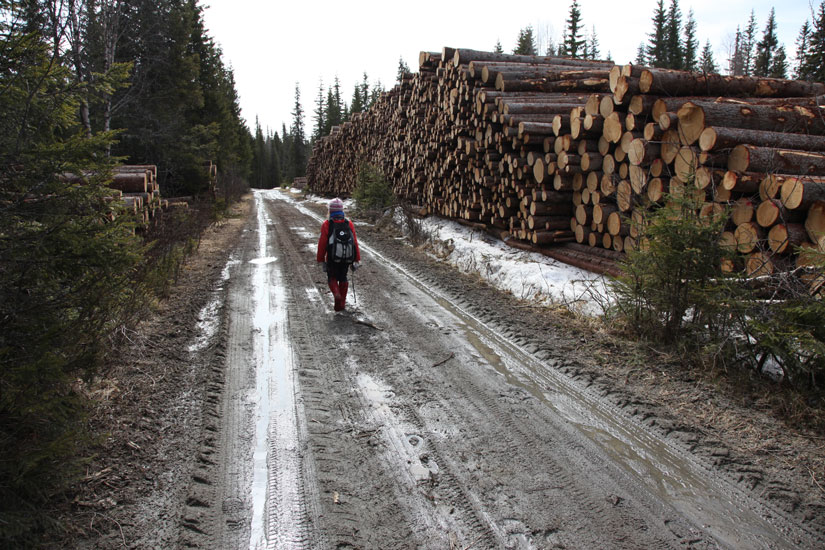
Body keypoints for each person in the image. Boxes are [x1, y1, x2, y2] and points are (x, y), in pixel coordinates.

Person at [317, 198, 361, 311]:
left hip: (332, 259)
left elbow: (322, 244)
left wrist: (321, 259)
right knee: (343, 278)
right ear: (342, 210)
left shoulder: (327, 224)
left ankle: (336, 294)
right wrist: (356, 259)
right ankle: (342, 303)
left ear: (330, 211)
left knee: (332, 277)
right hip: (346, 258)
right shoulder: (348, 223)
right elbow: (354, 242)